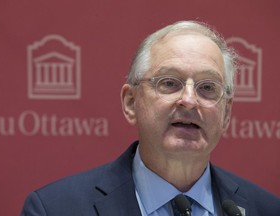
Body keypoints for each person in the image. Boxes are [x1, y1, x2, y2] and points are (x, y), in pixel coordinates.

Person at [21, 21, 280, 216]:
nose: (189, 100)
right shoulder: (55, 209)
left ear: (226, 113)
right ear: (131, 102)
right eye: (169, 83)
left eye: (208, 87)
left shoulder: (266, 209)